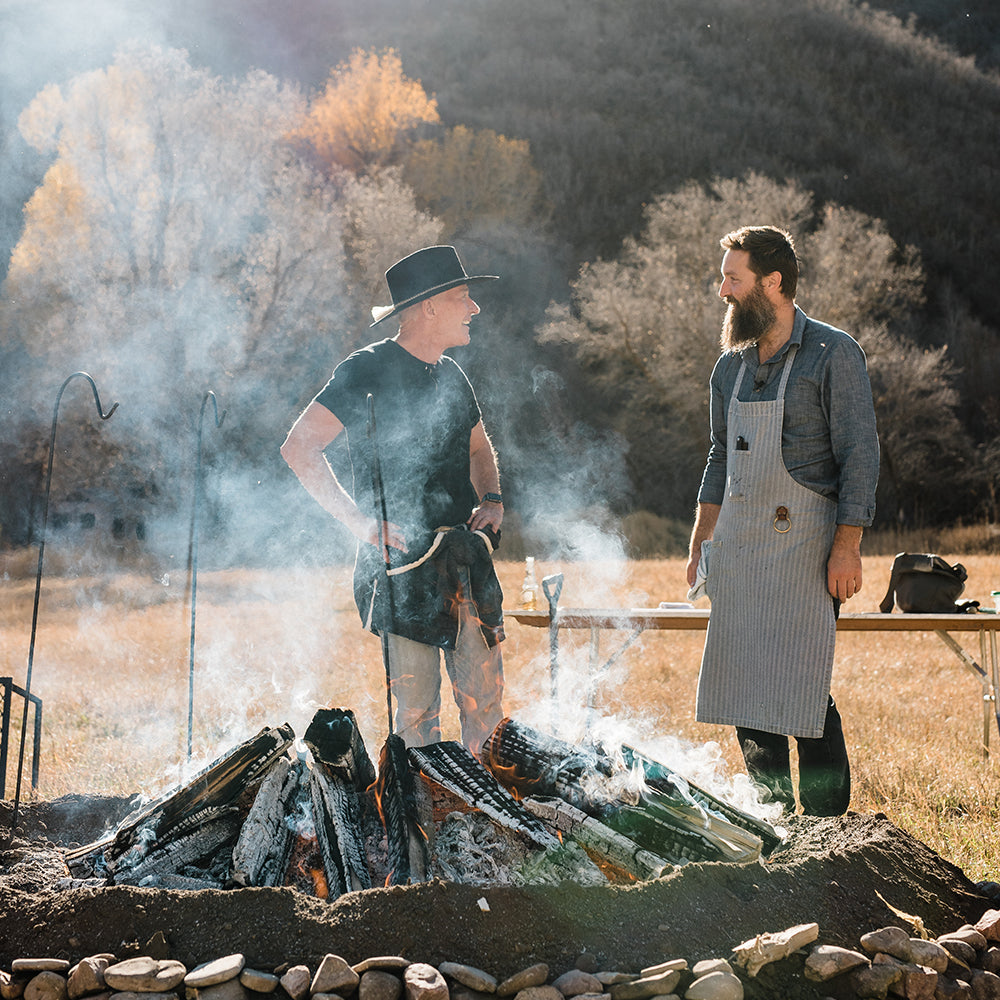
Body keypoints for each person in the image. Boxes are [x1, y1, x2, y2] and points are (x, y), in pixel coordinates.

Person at [281, 245, 506, 756]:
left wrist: (492, 498)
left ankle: (488, 803)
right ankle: (421, 807)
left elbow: (478, 447)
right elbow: (299, 447)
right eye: (463, 297)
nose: (474, 309)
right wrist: (360, 523)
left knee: (486, 707)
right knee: (418, 715)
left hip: (465, 558)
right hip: (402, 566)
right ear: (429, 307)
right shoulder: (366, 370)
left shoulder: (452, 374)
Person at [685, 225, 879, 816]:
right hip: (740, 545)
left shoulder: (833, 353)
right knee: (745, 690)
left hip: (808, 547)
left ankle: (828, 833)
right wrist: (700, 541)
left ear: (773, 282)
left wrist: (847, 547)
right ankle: (773, 822)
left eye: (733, 278)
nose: (723, 290)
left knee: (801, 686)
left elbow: (860, 454)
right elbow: (720, 454)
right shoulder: (730, 368)